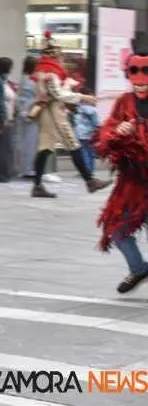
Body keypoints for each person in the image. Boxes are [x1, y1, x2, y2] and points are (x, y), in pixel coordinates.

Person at [30, 31, 112, 199]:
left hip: (49, 111)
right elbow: (58, 95)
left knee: (45, 148)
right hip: (54, 111)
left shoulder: (44, 71)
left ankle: (37, 185)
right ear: (52, 55)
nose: (61, 57)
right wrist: (83, 98)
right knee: (72, 144)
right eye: (58, 53)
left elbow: (58, 91)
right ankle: (90, 180)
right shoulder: (50, 72)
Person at [95, 40, 148, 294]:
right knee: (116, 230)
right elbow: (105, 135)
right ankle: (139, 269)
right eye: (133, 71)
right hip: (131, 182)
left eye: (145, 71)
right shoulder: (124, 102)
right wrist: (119, 131)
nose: (139, 78)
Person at [14, 56, 40, 179]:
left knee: (23, 141)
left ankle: (24, 168)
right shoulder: (32, 81)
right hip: (31, 113)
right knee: (30, 142)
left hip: (23, 113)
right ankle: (27, 169)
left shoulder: (23, 79)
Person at [70, 90, 101, 174]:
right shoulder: (93, 110)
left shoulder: (78, 108)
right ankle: (90, 170)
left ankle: (86, 170)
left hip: (80, 133)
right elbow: (97, 123)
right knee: (90, 152)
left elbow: (74, 121)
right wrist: (97, 130)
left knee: (83, 152)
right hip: (90, 134)